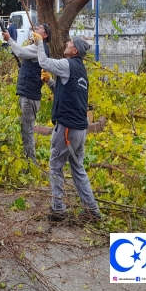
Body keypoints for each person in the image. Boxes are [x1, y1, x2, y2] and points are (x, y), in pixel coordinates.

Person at [32, 33, 101, 224]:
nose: (66, 44)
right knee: (78, 168)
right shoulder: (81, 71)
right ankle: (92, 211)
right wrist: (50, 82)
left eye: (69, 43)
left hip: (68, 129)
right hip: (80, 129)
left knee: (55, 165)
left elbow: (44, 62)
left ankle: (58, 209)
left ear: (75, 50)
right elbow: (68, 93)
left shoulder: (66, 64)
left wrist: (39, 43)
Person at [2, 23, 51, 161]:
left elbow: (21, 52)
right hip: (29, 93)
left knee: (27, 131)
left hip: (30, 95)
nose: (36, 29)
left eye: (40, 29)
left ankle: (31, 164)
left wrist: (9, 40)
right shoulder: (38, 48)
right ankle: (29, 161)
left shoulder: (39, 49)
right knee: (26, 129)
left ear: (45, 35)